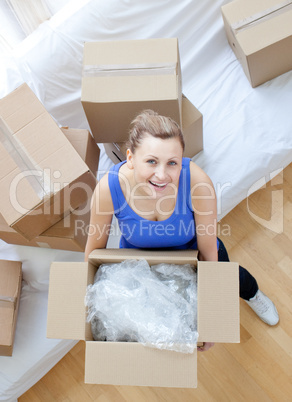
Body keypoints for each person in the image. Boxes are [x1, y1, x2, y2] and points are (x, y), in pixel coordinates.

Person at [85, 109, 279, 351]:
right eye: (151, 161)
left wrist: (212, 320)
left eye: (172, 163)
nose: (162, 175)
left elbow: (208, 251)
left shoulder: (198, 183)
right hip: (144, 267)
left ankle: (252, 294)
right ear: (131, 158)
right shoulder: (109, 189)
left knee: (233, 278)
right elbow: (93, 256)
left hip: (195, 256)